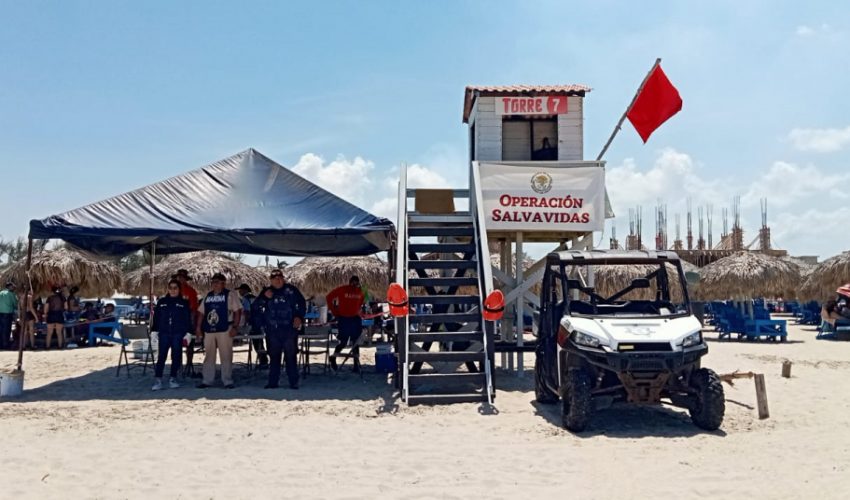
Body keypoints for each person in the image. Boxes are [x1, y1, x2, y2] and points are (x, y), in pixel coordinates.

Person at [253, 269, 305, 389]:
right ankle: (273, 382)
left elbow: (302, 303)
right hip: (272, 330)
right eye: (275, 278)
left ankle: (293, 382)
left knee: (291, 356)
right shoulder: (266, 292)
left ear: (283, 278)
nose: (278, 280)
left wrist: (299, 317)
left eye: (280, 277)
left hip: (289, 329)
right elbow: (255, 307)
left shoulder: (291, 290)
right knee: (274, 356)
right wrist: (264, 298)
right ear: (271, 280)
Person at [195, 273, 242, 389]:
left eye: (217, 281)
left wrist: (235, 327)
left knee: (226, 354)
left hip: (225, 328)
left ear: (223, 283)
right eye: (213, 282)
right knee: (209, 355)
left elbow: (237, 311)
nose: (214, 284)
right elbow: (201, 312)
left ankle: (227, 380)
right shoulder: (208, 296)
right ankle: (207, 380)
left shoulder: (230, 295)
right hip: (209, 329)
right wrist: (198, 327)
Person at [151, 279, 193, 391]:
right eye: (171, 288)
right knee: (161, 357)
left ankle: (173, 378)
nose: (173, 290)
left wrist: (189, 332)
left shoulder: (184, 303)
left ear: (179, 289)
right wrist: (154, 331)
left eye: (175, 288)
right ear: (168, 289)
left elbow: (188, 319)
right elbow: (156, 318)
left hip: (178, 334)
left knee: (176, 356)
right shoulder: (162, 302)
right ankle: (158, 380)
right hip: (164, 333)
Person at [326, 275, 366, 371]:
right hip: (344, 319)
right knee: (343, 342)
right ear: (350, 282)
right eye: (353, 282)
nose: (355, 285)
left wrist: (357, 310)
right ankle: (333, 358)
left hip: (355, 319)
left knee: (356, 342)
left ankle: (356, 365)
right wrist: (335, 311)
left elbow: (361, 302)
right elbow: (329, 297)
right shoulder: (342, 289)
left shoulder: (362, 291)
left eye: (357, 283)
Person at [174, 269, 200, 377]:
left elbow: (194, 309)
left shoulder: (191, 291)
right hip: (176, 320)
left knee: (189, 345)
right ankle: (177, 366)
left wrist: (192, 323)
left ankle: (189, 365)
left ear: (185, 279)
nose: (180, 279)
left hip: (188, 319)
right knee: (176, 345)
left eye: (182, 277)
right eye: (179, 277)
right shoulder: (173, 290)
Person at [238, 283, 268, 368]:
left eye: (240, 290)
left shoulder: (245, 298)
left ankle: (263, 361)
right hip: (259, 322)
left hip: (253, 322)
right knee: (260, 342)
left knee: (256, 343)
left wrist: (245, 323)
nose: (239, 291)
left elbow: (247, 311)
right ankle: (263, 360)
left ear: (245, 290)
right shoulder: (254, 297)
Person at [0, 282, 19, 350]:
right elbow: (15, 304)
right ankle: (5, 344)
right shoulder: (11, 294)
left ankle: (1, 344)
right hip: (7, 313)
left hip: (0, 313)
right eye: (12, 287)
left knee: (1, 329)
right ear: (9, 287)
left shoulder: (1, 293)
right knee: (6, 329)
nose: (13, 288)